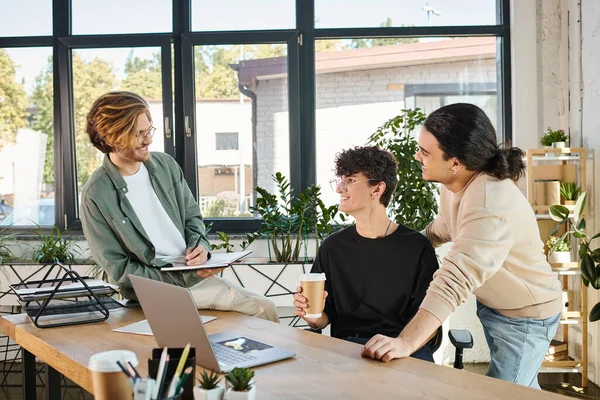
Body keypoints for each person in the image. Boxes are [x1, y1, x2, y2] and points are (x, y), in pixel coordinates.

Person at [362, 103, 562, 388]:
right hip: (497, 307)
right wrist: (403, 247)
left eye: (425, 152)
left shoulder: (488, 205)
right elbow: (446, 226)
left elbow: (453, 281)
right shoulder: (456, 182)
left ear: (455, 162)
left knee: (501, 394)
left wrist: (406, 342)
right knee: (524, 389)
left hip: (527, 319)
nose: (417, 156)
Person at [80, 91, 278, 322]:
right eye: (138, 134)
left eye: (148, 130)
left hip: (194, 278)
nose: (148, 140)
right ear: (112, 138)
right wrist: (185, 277)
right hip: (158, 289)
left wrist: (200, 247)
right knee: (264, 309)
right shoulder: (96, 194)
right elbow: (119, 270)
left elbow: (192, 218)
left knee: (257, 312)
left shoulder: (165, 166)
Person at [293, 146, 439, 361]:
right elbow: (324, 319)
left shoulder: (417, 247)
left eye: (350, 180)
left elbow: (430, 320)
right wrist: (312, 316)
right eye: (340, 180)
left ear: (377, 189)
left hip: (402, 351)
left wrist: (401, 346)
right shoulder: (333, 247)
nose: (340, 189)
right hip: (349, 352)